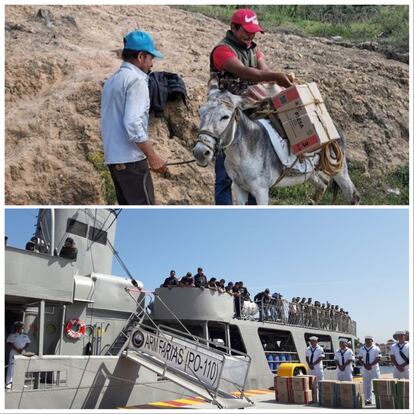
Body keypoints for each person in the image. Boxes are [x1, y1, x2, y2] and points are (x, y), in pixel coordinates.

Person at [210, 8, 294, 205]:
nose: (251, 35)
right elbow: (246, 72)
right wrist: (275, 76)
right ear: (233, 28)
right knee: (225, 173)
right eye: (246, 31)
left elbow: (263, 69)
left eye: (253, 31)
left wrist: (278, 78)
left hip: (252, 110)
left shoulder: (254, 49)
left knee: (255, 168)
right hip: (227, 112)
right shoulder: (222, 51)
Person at [100, 30, 168, 205]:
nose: (152, 63)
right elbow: (133, 124)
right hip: (132, 161)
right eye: (151, 58)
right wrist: (152, 157)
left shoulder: (112, 80)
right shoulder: (136, 80)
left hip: (114, 160)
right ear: (140, 56)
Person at [6, 321, 31, 389]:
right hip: (14, 352)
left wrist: (22, 349)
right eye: (18, 327)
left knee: (22, 367)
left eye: (21, 327)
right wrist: (17, 349)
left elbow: (28, 343)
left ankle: (21, 382)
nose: (20, 328)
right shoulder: (12, 335)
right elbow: (9, 343)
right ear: (16, 328)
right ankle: (9, 382)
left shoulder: (25, 335)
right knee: (11, 367)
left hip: (22, 352)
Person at [357, 335, 381, 405]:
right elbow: (360, 358)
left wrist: (370, 365)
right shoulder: (362, 348)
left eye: (369, 340)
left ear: (372, 341)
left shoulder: (376, 348)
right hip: (365, 368)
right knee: (366, 384)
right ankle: (367, 399)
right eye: (366, 340)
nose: (367, 341)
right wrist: (365, 365)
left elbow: (378, 358)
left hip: (374, 368)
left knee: (376, 383)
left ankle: (378, 399)